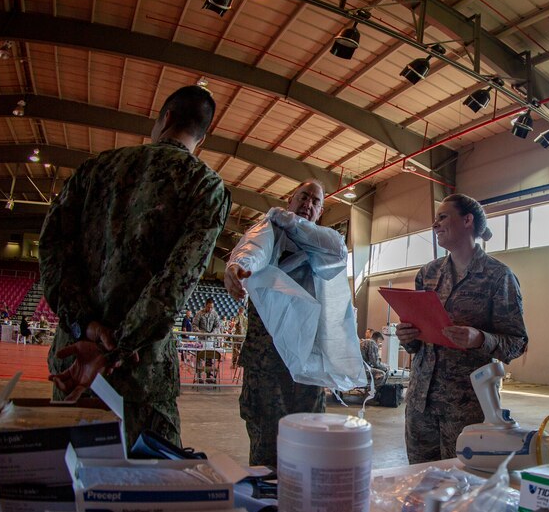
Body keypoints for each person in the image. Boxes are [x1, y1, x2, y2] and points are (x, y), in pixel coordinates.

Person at [40, 85, 231, 447]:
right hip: (141, 374)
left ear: (166, 118)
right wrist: (117, 346)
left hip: (74, 361)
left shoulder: (94, 169)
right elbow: (175, 282)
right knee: (150, 491)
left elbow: (51, 249)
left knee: (73, 486)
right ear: (202, 138)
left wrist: (86, 326)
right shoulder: (205, 187)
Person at [395, 194, 528, 464]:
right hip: (421, 403)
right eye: (436, 219)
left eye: (443, 217)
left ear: (468, 220)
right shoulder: (428, 274)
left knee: (464, 485)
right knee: (420, 481)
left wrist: (480, 338)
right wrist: (407, 336)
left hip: (467, 406)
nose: (435, 224)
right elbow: (419, 339)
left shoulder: (498, 276)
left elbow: (517, 342)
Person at [224, 179, 346, 467]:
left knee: (310, 441)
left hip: (307, 364)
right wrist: (238, 266)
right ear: (290, 200)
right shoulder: (269, 230)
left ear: (321, 211)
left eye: (316, 202)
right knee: (268, 441)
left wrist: (293, 223)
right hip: (267, 362)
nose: (308, 205)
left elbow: (338, 249)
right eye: (304, 197)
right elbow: (253, 250)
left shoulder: (322, 243)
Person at [193, 298, 221, 383]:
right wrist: (200, 332)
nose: (210, 309)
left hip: (210, 339)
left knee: (209, 357)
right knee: (199, 357)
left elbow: (217, 326)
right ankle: (199, 377)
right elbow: (194, 325)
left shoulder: (215, 314)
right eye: (208, 307)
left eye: (211, 307)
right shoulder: (199, 313)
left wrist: (213, 332)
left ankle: (209, 376)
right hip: (201, 339)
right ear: (205, 305)